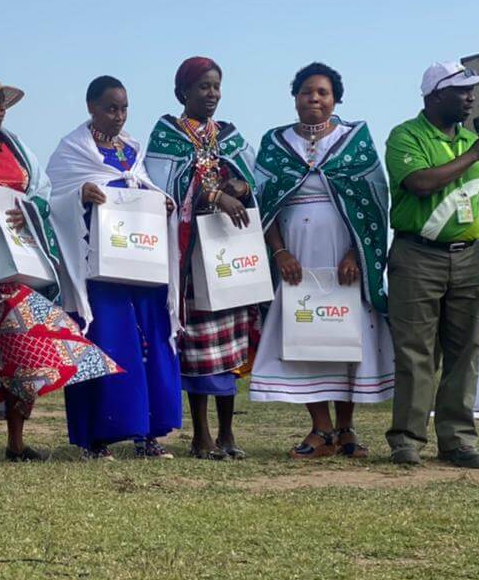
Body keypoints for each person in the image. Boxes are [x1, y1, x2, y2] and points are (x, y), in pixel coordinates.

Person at [0, 71, 120, 462]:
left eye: (3, 102)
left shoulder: (17, 147)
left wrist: (28, 210)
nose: (1, 110)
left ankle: (16, 439)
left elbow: (43, 192)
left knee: (23, 348)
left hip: (21, 260)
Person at [250, 63, 394, 457]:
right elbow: (265, 205)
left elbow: (372, 202)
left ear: (335, 99)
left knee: (347, 336)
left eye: (323, 93)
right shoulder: (275, 143)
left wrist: (355, 252)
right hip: (295, 256)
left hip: (346, 257)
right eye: (306, 92)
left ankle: (346, 430)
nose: (314, 98)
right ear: (295, 98)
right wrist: (279, 252)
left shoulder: (354, 140)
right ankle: (321, 429)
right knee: (305, 333)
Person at [384, 60, 479, 468]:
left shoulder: (472, 141)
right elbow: (420, 183)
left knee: (465, 350)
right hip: (417, 255)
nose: (471, 98)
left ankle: (457, 440)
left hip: (468, 257)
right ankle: (407, 440)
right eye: (462, 91)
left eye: (472, 91)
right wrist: (474, 153)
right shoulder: (406, 136)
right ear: (435, 95)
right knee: (416, 351)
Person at [46, 76, 181, 460]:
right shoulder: (72, 151)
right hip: (98, 270)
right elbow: (53, 199)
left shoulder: (134, 151)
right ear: (91, 107)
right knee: (105, 343)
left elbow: (146, 188)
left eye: (123, 108)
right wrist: (79, 195)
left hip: (141, 263)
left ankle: (148, 433)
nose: (119, 116)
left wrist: (161, 202)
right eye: (110, 108)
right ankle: (96, 438)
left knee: (149, 342)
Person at [146, 57, 262, 460]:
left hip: (229, 251)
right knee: (197, 348)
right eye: (203, 87)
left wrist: (240, 186)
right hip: (191, 257)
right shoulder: (167, 136)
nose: (212, 94)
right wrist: (211, 194)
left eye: (216, 86)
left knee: (230, 344)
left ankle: (228, 432)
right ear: (182, 93)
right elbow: (162, 188)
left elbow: (255, 178)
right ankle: (201, 435)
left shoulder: (229, 135)